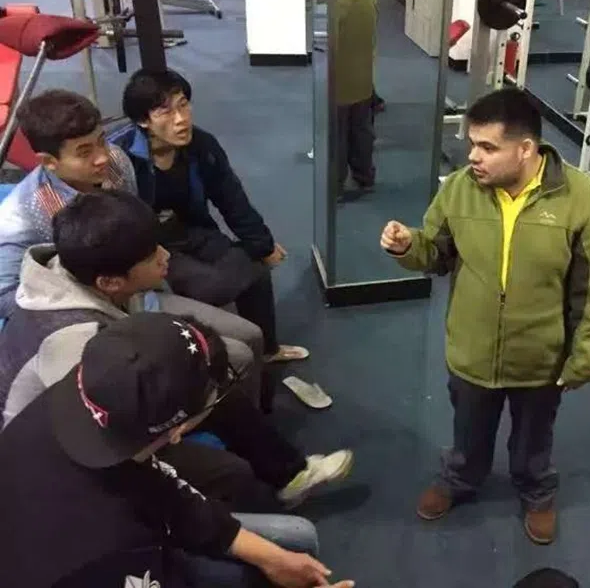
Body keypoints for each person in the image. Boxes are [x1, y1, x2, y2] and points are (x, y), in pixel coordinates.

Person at [0, 190, 353, 511]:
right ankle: (258, 524)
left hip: (120, 403)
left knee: (219, 385)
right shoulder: (72, 342)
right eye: (151, 257)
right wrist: (174, 424)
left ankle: (288, 476)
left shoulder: (89, 271)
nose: (165, 256)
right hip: (77, 454)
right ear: (110, 282)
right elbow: (105, 438)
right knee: (228, 472)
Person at [379, 88, 590, 544]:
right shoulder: (459, 190)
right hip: (472, 348)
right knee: (468, 431)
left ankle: (536, 490)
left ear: (525, 149)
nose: (473, 157)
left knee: (533, 440)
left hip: (540, 357)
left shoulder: (582, 198)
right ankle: (461, 478)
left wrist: (584, 354)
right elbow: (436, 253)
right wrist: (408, 245)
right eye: (472, 144)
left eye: (487, 147)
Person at [0, 311, 354, 588]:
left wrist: (271, 557)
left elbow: (165, 489)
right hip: (101, 566)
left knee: (295, 540)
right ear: (178, 431)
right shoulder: (113, 547)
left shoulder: (79, 401)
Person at [108, 69, 311, 368]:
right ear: (143, 120)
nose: (181, 119)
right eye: (166, 111)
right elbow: (115, 222)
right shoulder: (119, 156)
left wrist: (262, 244)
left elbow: (231, 197)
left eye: (183, 105)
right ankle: (207, 359)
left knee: (256, 267)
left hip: (192, 230)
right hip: (150, 246)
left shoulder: (202, 145)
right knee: (210, 287)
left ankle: (267, 349)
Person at [0, 89, 138, 318]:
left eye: (101, 141)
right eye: (84, 153)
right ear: (49, 161)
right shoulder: (23, 216)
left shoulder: (116, 161)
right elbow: (4, 297)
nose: (103, 157)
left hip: (135, 286)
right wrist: (84, 299)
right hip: (79, 311)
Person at [335, 0, 378, 196]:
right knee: (362, 130)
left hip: (340, 81)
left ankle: (336, 185)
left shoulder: (336, 1)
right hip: (364, 77)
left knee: (338, 136)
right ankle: (365, 176)